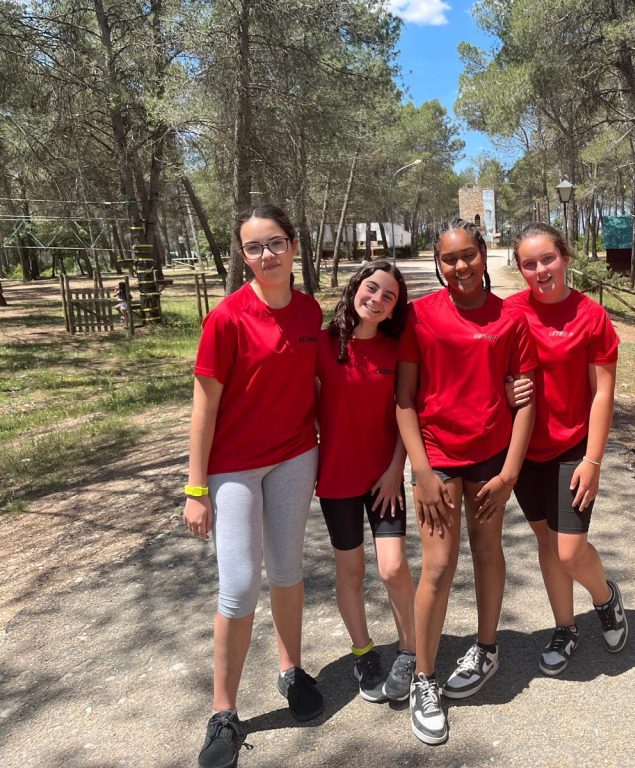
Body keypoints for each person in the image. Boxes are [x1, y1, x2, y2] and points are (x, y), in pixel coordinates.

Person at [184, 204, 324, 768]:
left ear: (294, 246)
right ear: (243, 256)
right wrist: (196, 489)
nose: (266, 255)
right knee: (239, 586)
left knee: (287, 571)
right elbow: (203, 408)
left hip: (295, 457)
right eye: (254, 247)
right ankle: (224, 712)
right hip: (234, 467)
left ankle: (291, 671)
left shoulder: (310, 311)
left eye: (275, 243)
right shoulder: (226, 319)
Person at [396, 219, 537, 745]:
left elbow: (526, 399)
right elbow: (404, 399)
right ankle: (424, 679)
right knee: (437, 566)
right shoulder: (420, 315)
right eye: (449, 259)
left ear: (484, 253)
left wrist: (509, 474)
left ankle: (486, 648)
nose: (460, 267)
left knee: (487, 550)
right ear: (439, 264)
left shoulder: (511, 318)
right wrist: (421, 471)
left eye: (468, 256)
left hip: (490, 458)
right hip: (436, 458)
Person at [504, 222, 628, 676]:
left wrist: (593, 460)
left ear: (565, 259)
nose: (540, 270)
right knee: (547, 543)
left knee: (570, 550)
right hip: (524, 449)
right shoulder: (510, 311)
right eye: (529, 263)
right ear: (520, 269)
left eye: (548, 259)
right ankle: (565, 627)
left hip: (573, 447)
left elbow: (602, 393)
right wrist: (504, 389)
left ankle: (606, 598)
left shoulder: (591, 316)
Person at [316, 261, 417, 704]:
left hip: (385, 480)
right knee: (351, 571)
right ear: (355, 287)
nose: (376, 300)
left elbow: (407, 411)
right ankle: (363, 652)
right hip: (337, 480)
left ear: (395, 308)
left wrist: (397, 469)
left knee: (393, 568)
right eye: (371, 288)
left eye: (388, 296)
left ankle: (410, 651)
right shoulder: (322, 345)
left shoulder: (396, 349)